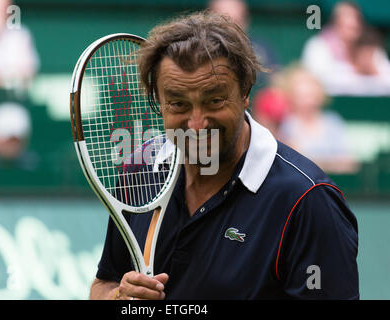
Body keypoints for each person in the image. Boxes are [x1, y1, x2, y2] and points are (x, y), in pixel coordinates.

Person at [90, 12, 359, 300]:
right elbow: (104, 283)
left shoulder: (308, 201)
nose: (196, 123)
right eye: (178, 103)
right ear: (159, 103)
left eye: (214, 100)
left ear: (246, 92)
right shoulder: (140, 169)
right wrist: (119, 297)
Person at [277, 65, 359, 174]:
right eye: (302, 96)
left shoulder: (333, 122)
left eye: (310, 95)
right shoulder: (287, 124)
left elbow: (348, 162)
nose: (308, 102)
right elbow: (292, 164)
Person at [301, 1, 364, 95]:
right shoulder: (318, 46)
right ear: (336, 22)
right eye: (348, 18)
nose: (354, 23)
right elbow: (316, 81)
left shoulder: (369, 48)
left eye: (356, 19)